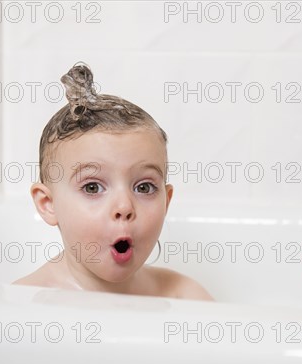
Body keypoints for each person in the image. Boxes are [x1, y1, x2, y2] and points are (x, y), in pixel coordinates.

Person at [14, 63, 213, 301]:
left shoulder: (185, 297)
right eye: (92, 187)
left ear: (166, 201)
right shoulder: (24, 303)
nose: (124, 207)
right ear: (48, 204)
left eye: (144, 187)